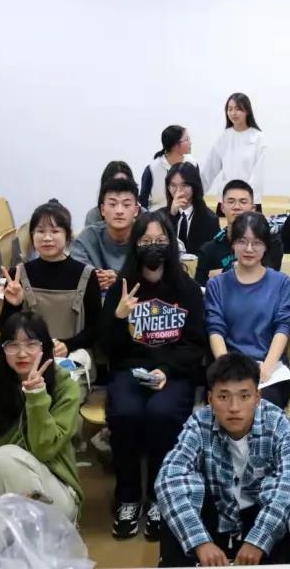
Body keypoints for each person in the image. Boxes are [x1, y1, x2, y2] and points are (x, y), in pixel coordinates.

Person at [101, 212, 209, 540]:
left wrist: (167, 369)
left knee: (162, 414)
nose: (153, 247)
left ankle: (161, 496)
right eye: (146, 241)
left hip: (174, 373)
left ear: (171, 244)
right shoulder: (122, 287)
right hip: (129, 371)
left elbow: (196, 343)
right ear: (135, 244)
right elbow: (108, 347)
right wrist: (118, 316)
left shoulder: (187, 289)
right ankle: (128, 497)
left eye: (160, 240)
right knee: (126, 413)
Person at [155, 353, 290, 567]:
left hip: (259, 516)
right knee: (175, 501)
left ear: (257, 397)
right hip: (217, 514)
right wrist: (199, 542)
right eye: (223, 397)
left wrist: (259, 539)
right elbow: (169, 478)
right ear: (210, 399)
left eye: (244, 396)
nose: (234, 407)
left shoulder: (275, 421)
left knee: (288, 500)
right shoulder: (200, 422)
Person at [0, 312, 82, 520]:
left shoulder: (65, 389)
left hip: (56, 495)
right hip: (3, 496)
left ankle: (27, 526)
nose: (22, 353)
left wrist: (36, 398)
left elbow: (45, 450)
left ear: (45, 349)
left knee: (3, 457)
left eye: (31, 344)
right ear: (3, 351)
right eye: (13, 345)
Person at [205, 213, 290, 408]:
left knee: (261, 406)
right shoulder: (217, 285)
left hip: (269, 368)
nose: (249, 249)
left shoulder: (281, 283)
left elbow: (283, 327)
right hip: (229, 367)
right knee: (230, 405)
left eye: (256, 243)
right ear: (233, 244)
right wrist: (227, 368)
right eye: (242, 241)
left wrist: (266, 369)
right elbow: (215, 329)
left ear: (265, 246)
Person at [0, 201, 101, 358]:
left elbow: (96, 328)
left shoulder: (87, 275)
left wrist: (69, 345)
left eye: (55, 231)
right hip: (28, 360)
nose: (47, 238)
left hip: (72, 360)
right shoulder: (17, 275)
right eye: (40, 231)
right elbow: (4, 329)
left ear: (67, 235)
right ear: (32, 235)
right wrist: (13, 305)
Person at [195, 180, 283, 287]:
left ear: (253, 209)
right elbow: (201, 289)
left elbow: (267, 277)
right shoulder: (209, 249)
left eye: (243, 202)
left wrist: (223, 273)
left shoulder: (270, 242)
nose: (237, 207)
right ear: (222, 208)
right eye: (231, 202)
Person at [73, 177, 141, 291]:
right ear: (102, 210)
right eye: (113, 204)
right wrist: (93, 278)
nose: (119, 211)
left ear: (136, 210)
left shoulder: (145, 236)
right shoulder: (88, 236)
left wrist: (119, 279)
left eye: (126, 205)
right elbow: (75, 270)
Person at [202, 93, 266, 205]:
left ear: (247, 111)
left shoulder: (258, 138)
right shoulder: (224, 137)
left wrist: (247, 200)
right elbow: (209, 170)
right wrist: (197, 194)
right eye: (230, 109)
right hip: (226, 202)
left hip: (249, 202)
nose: (233, 113)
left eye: (238, 109)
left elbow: (258, 176)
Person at [159, 162, 220, 256]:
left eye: (184, 185)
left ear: (194, 187)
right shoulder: (160, 216)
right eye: (173, 185)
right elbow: (160, 248)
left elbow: (212, 254)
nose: (178, 191)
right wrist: (171, 215)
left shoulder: (210, 219)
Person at [141, 125, 197, 211]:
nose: (190, 142)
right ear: (175, 145)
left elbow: (197, 196)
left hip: (186, 216)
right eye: (187, 139)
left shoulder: (193, 164)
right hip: (158, 216)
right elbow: (142, 203)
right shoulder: (152, 169)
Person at [85, 161, 134, 228]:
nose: (119, 189)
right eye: (114, 184)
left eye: (124, 184)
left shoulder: (143, 215)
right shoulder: (93, 215)